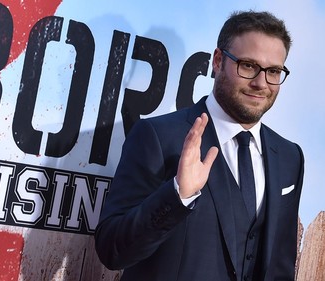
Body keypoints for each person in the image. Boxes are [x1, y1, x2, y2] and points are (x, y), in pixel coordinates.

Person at [95, 10, 304, 281]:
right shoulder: (158, 137)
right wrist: (178, 196)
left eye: (273, 71)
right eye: (248, 66)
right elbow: (111, 249)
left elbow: (279, 267)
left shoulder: (289, 157)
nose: (260, 83)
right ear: (218, 61)